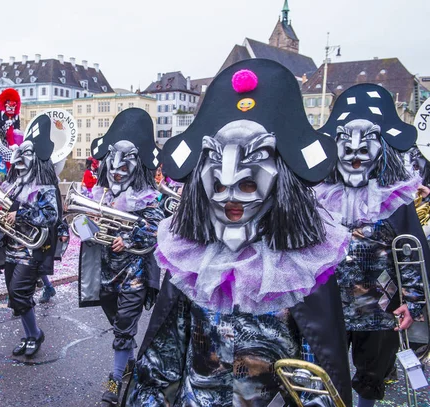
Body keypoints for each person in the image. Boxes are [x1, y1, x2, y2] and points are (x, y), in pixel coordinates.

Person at [124, 59, 353, 406]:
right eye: (219, 184)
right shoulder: (190, 257)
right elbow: (163, 361)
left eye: (246, 183)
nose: (230, 197)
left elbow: (316, 378)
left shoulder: (305, 265)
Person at [315, 83, 428, 407]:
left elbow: (410, 252)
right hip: (328, 300)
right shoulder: (318, 195)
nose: (354, 158)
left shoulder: (397, 198)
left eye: (364, 150)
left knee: (371, 373)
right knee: (325, 370)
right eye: (346, 149)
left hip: (378, 305)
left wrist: (414, 301)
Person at [79, 108, 164, 405]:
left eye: (124, 165)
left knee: (125, 323)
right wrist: (83, 223)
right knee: (118, 323)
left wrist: (127, 238)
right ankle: (129, 361)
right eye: (113, 166)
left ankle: (115, 379)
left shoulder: (148, 197)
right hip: (103, 272)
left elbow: (156, 227)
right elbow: (85, 226)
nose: (117, 171)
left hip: (134, 273)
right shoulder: (99, 195)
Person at [0, 114, 62, 358]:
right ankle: (31, 334)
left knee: (20, 292)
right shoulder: (13, 185)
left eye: (26, 156)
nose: (20, 160)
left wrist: (20, 215)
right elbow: (2, 217)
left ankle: (35, 334)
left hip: (32, 250)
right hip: (11, 248)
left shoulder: (45, 186)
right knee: (16, 295)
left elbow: (50, 216)